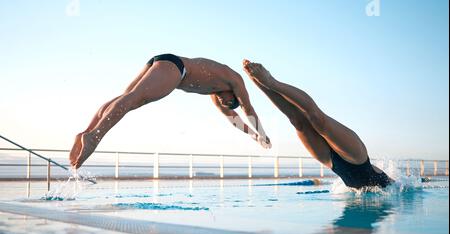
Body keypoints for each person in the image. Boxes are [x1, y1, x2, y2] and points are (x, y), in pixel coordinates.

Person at [70, 54, 272, 169]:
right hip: (176, 67)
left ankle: (86, 132)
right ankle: (95, 137)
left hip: (165, 63)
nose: (224, 103)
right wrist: (263, 134)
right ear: (235, 96)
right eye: (229, 102)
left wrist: (254, 137)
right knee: (131, 99)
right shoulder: (235, 80)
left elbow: (234, 120)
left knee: (126, 99)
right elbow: (247, 109)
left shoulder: (215, 93)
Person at [243, 59, 392, 189]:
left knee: (298, 122)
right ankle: (270, 81)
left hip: (334, 164)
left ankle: (257, 81)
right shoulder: (396, 187)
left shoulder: (392, 190)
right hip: (358, 159)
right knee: (318, 120)